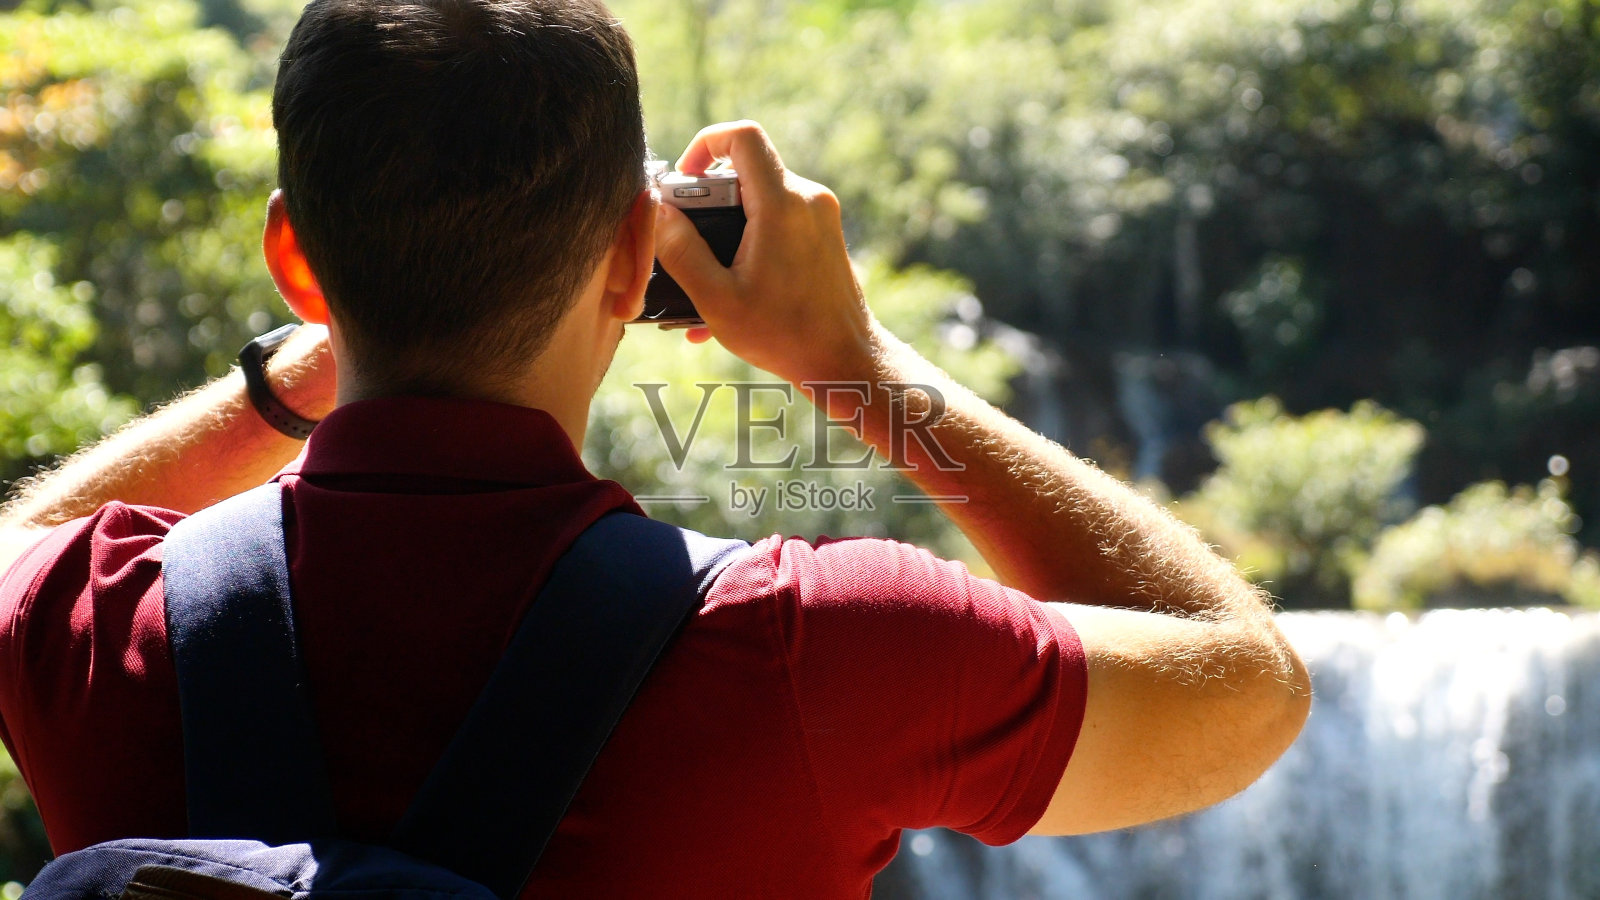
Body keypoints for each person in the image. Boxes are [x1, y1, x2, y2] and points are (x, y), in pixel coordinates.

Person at [0, 0, 1311, 895]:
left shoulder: (87, 623)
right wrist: (852, 361)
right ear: (636, 258)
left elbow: (22, 539)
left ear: (293, 258)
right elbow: (1248, 692)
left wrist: (311, 361)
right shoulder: (822, 643)